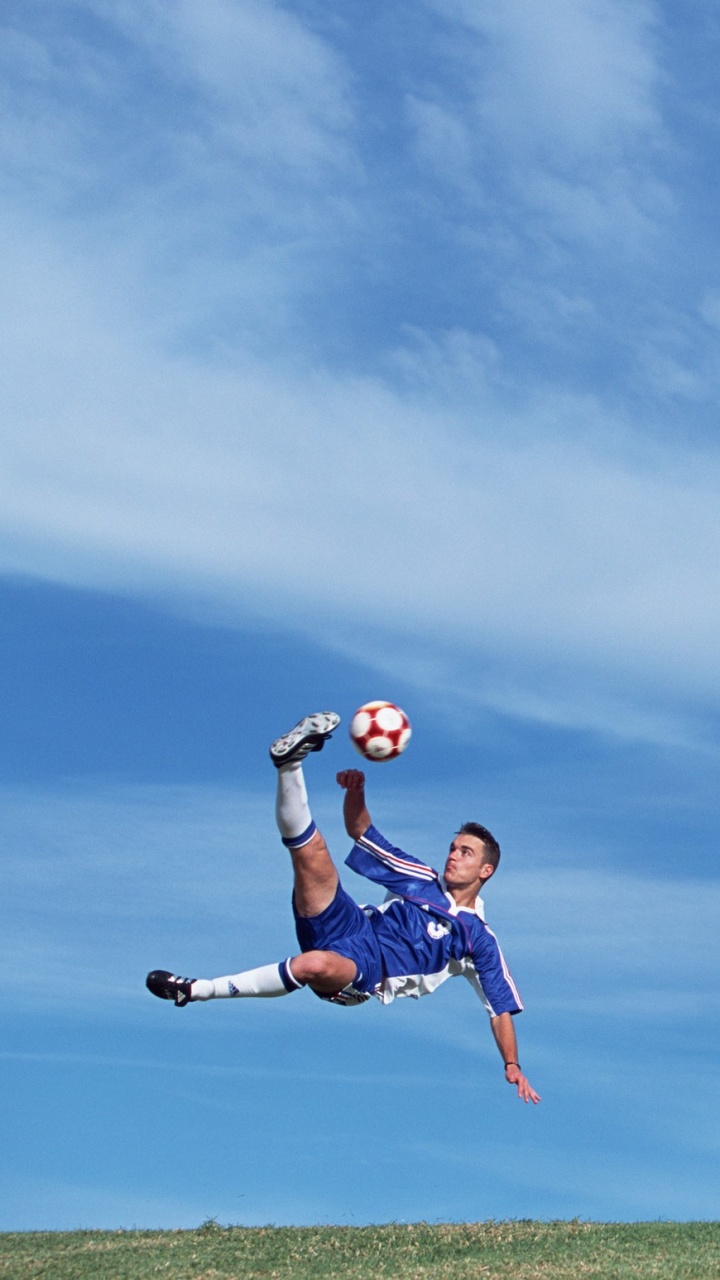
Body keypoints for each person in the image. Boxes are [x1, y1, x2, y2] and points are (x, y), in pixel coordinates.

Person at [147, 712, 540, 1104]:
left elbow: (499, 1009)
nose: (453, 855)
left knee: (313, 965)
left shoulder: (479, 939)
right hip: (351, 922)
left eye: (465, 852)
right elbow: (361, 831)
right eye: (453, 847)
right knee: (311, 852)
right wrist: (357, 791)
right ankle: (289, 765)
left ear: (485, 870)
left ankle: (196, 990)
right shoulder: (421, 878)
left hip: (368, 970)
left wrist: (512, 1064)